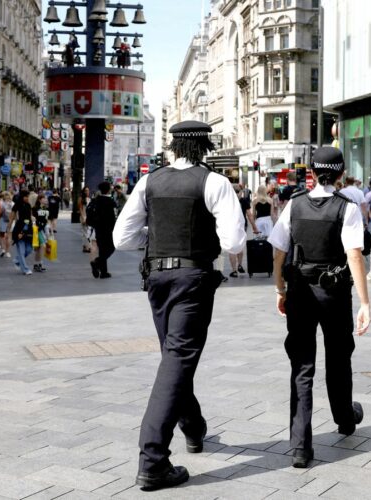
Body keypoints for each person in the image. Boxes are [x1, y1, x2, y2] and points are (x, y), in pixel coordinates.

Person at [113, 120, 245, 491]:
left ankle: (193, 426)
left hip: (156, 280)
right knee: (177, 359)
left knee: (174, 356)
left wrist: (155, 236)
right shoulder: (214, 182)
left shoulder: (148, 181)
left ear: (173, 147)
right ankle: (152, 459)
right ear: (204, 147)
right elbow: (234, 242)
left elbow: (122, 238)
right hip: (192, 280)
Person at [268, 146, 371, 469]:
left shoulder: (294, 205)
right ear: (340, 174)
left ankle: (300, 446)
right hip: (335, 292)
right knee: (339, 358)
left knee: (301, 366)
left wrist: (279, 289)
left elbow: (279, 252)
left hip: (299, 290)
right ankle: (344, 418)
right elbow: (354, 255)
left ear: (311, 172)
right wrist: (365, 302)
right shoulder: (347, 208)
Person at [88, 182, 118, 279]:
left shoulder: (96, 200)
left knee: (102, 249)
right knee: (111, 248)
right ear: (109, 189)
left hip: (98, 229)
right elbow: (114, 217)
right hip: (109, 230)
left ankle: (104, 272)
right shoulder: (110, 202)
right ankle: (97, 263)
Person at [228, 184, 256, 277]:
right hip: (242, 227)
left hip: (230, 227)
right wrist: (254, 227)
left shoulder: (227, 200)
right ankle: (240, 264)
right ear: (241, 192)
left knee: (231, 249)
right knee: (240, 246)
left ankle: (234, 270)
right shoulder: (244, 201)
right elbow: (250, 215)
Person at [7, 189, 34, 275]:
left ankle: (17, 260)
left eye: (28, 196)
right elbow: (11, 217)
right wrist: (9, 229)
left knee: (29, 249)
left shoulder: (28, 205)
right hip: (19, 229)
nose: (27, 198)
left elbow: (30, 216)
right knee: (21, 251)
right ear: (22, 196)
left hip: (28, 228)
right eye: (26, 196)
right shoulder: (17, 205)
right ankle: (25, 269)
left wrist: (33, 222)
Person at [32, 194, 50, 273]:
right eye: (44, 198)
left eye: (46, 198)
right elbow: (32, 218)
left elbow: (46, 221)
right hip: (37, 229)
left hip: (42, 229)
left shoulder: (45, 208)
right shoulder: (35, 208)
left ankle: (36, 264)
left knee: (39, 248)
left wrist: (50, 232)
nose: (46, 200)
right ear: (40, 199)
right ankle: (39, 263)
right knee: (42, 246)